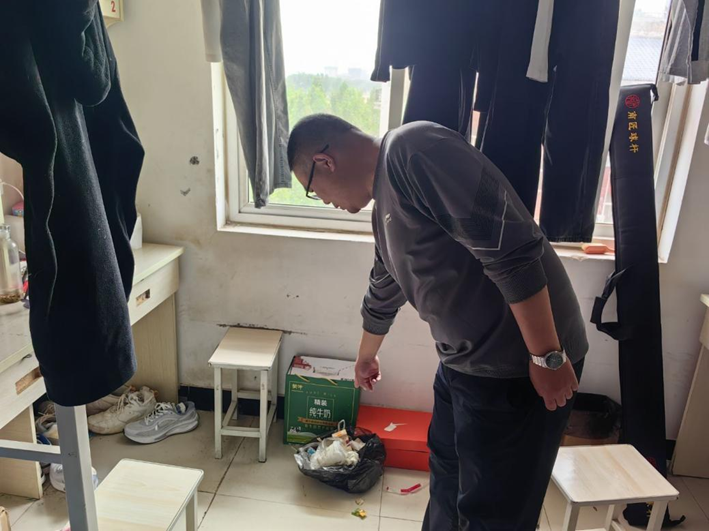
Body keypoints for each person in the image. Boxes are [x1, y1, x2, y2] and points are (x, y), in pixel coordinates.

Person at [286, 114, 588, 531]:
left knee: (494, 512)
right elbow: (384, 287)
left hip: (517, 368)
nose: (322, 201)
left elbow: (511, 250)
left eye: (311, 189)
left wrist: (548, 356)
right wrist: (365, 357)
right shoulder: (384, 206)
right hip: (462, 365)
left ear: (325, 162)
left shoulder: (413, 151)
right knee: (447, 481)